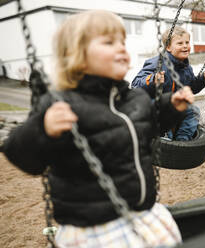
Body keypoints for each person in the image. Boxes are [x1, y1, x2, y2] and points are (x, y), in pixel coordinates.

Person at [3, 10, 193, 248]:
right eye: (109, 42)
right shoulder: (62, 104)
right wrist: (43, 130)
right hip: (93, 228)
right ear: (76, 55)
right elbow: (18, 153)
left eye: (122, 42)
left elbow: (149, 124)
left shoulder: (133, 99)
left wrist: (171, 107)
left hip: (142, 212)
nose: (122, 48)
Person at [132, 26, 205, 141]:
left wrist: (203, 79)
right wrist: (152, 79)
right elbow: (136, 84)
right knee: (166, 116)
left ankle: (183, 140)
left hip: (176, 104)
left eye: (187, 42)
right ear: (168, 47)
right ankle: (166, 141)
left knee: (193, 110)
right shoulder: (157, 63)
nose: (185, 46)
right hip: (156, 106)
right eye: (180, 43)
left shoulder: (186, 68)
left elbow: (190, 88)